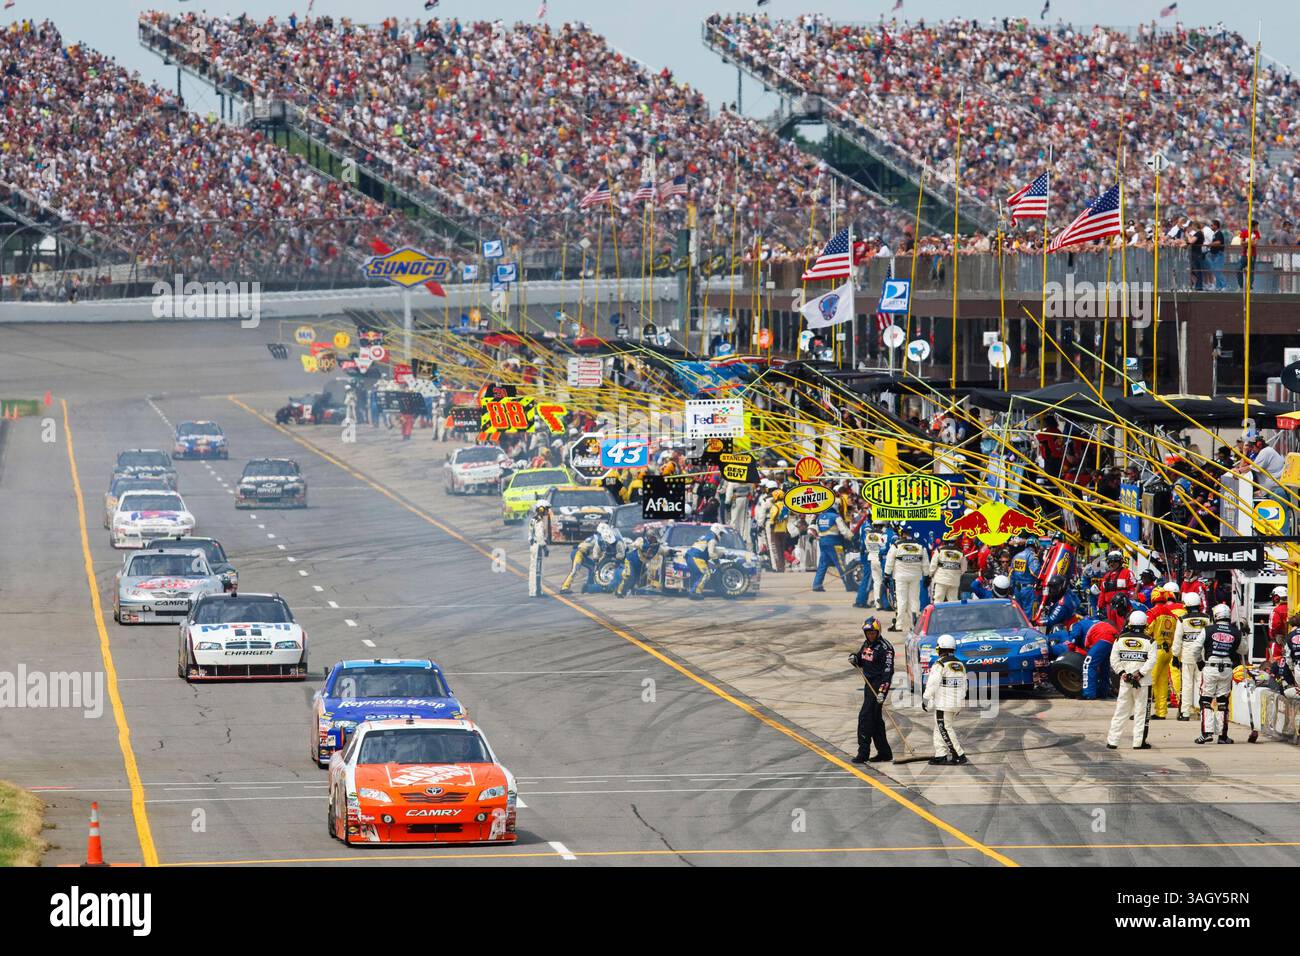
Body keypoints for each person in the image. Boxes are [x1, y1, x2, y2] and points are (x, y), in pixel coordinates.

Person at [1195, 604, 1246, 745]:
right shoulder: (1235, 631)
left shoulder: (1208, 630)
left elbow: (1195, 648)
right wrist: (1243, 634)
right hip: (1227, 669)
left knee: (1205, 700)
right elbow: (1244, 650)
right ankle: (1223, 737)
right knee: (1223, 702)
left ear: (1216, 615)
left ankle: (1206, 733)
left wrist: (1199, 661)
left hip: (1210, 667)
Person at [1107, 610, 1156, 750]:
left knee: (1121, 711)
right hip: (1143, 682)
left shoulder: (1120, 639)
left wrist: (1122, 673)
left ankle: (1112, 741)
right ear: (1144, 624)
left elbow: (1114, 659)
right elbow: (1152, 660)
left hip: (1125, 681)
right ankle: (1138, 743)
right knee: (1141, 712)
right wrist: (1140, 674)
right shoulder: (1150, 641)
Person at [848, 617, 894, 763]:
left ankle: (863, 753)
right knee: (875, 720)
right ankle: (884, 752)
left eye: (873, 633)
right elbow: (861, 660)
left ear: (878, 631)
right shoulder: (866, 644)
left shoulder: (886, 648)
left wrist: (882, 691)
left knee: (865, 717)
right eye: (868, 633)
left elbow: (888, 672)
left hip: (879, 685)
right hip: (869, 685)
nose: (870, 635)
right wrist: (854, 658)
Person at [922, 633, 969, 765]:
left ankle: (959, 754)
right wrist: (960, 702)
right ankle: (940, 754)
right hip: (956, 702)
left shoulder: (940, 664)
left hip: (944, 704)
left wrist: (925, 699)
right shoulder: (960, 664)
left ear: (940, 649)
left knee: (944, 728)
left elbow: (932, 684)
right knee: (939, 727)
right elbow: (964, 685)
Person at [1170, 592, 1211, 720]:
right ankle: (1200, 710)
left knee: (1187, 684)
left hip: (1187, 655)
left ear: (1186, 605)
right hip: (1203, 655)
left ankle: (1185, 713)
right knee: (1201, 683)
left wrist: (1175, 656)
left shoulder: (1182, 619)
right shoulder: (1207, 618)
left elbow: (1177, 640)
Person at [884, 525, 927, 633]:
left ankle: (898, 626)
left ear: (902, 533)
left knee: (901, 600)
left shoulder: (896, 546)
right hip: (915, 577)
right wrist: (927, 576)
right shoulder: (920, 546)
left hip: (900, 577)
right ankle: (914, 625)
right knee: (914, 600)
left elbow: (889, 562)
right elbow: (926, 564)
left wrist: (886, 575)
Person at [559, 523, 618, 594]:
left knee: (592, 567)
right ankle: (564, 588)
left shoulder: (595, 537)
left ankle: (589, 585)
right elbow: (601, 550)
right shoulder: (600, 539)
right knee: (574, 571)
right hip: (578, 553)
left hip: (580, 553)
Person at [811, 506, 854, 593]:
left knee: (822, 564)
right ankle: (849, 585)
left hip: (822, 543)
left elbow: (816, 530)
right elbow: (844, 531)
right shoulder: (835, 517)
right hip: (834, 543)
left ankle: (817, 585)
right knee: (841, 565)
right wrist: (852, 538)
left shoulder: (820, 517)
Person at [613, 529, 661, 597]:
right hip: (631, 561)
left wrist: (669, 551)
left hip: (641, 564)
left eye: (655, 538)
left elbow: (662, 551)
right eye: (653, 538)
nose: (654, 540)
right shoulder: (641, 540)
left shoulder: (656, 545)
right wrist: (642, 546)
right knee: (628, 575)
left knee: (636, 579)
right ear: (649, 537)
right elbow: (635, 544)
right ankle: (618, 591)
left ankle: (628, 591)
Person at [683, 523, 725, 597]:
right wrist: (717, 562)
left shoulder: (705, 536)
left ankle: (693, 591)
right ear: (717, 531)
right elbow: (711, 554)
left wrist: (721, 554)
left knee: (698, 575)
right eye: (721, 533)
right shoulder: (712, 539)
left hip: (690, 556)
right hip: (696, 557)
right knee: (705, 574)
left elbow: (706, 550)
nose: (721, 536)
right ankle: (696, 593)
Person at [853, 520, 888, 608]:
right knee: (871, 581)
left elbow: (864, 545)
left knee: (876, 582)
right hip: (879, 560)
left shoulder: (868, 535)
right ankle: (862, 601)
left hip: (870, 558)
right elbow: (885, 547)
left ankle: (877, 603)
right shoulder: (882, 536)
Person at [1081, 619, 1118, 700]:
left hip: (1104, 637)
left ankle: (1088, 693)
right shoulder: (1091, 622)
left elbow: (1083, 643)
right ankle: (1103, 692)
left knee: (1088, 664)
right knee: (1104, 666)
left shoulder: (1077, 625)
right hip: (1114, 636)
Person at [1009, 538, 1042, 616]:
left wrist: (1012, 587)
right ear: (1036, 546)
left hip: (1017, 589)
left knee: (1018, 614)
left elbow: (1011, 573)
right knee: (1028, 616)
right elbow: (1036, 572)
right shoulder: (1032, 556)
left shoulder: (1016, 556)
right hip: (1028, 589)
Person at [927, 540, 967, 604]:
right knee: (953, 601)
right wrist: (956, 574)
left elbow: (933, 566)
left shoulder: (939, 551)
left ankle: (938, 614)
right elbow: (964, 569)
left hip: (941, 581)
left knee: (938, 600)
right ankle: (953, 614)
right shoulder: (961, 553)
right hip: (954, 581)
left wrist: (930, 575)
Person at [526, 503, 551, 598]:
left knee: (532, 569)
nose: (547, 511)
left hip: (533, 545)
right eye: (546, 509)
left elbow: (530, 535)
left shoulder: (533, 520)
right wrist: (545, 547)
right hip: (538, 546)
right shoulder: (539, 521)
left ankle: (532, 590)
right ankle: (537, 591)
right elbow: (540, 536)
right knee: (537, 569)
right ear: (541, 509)